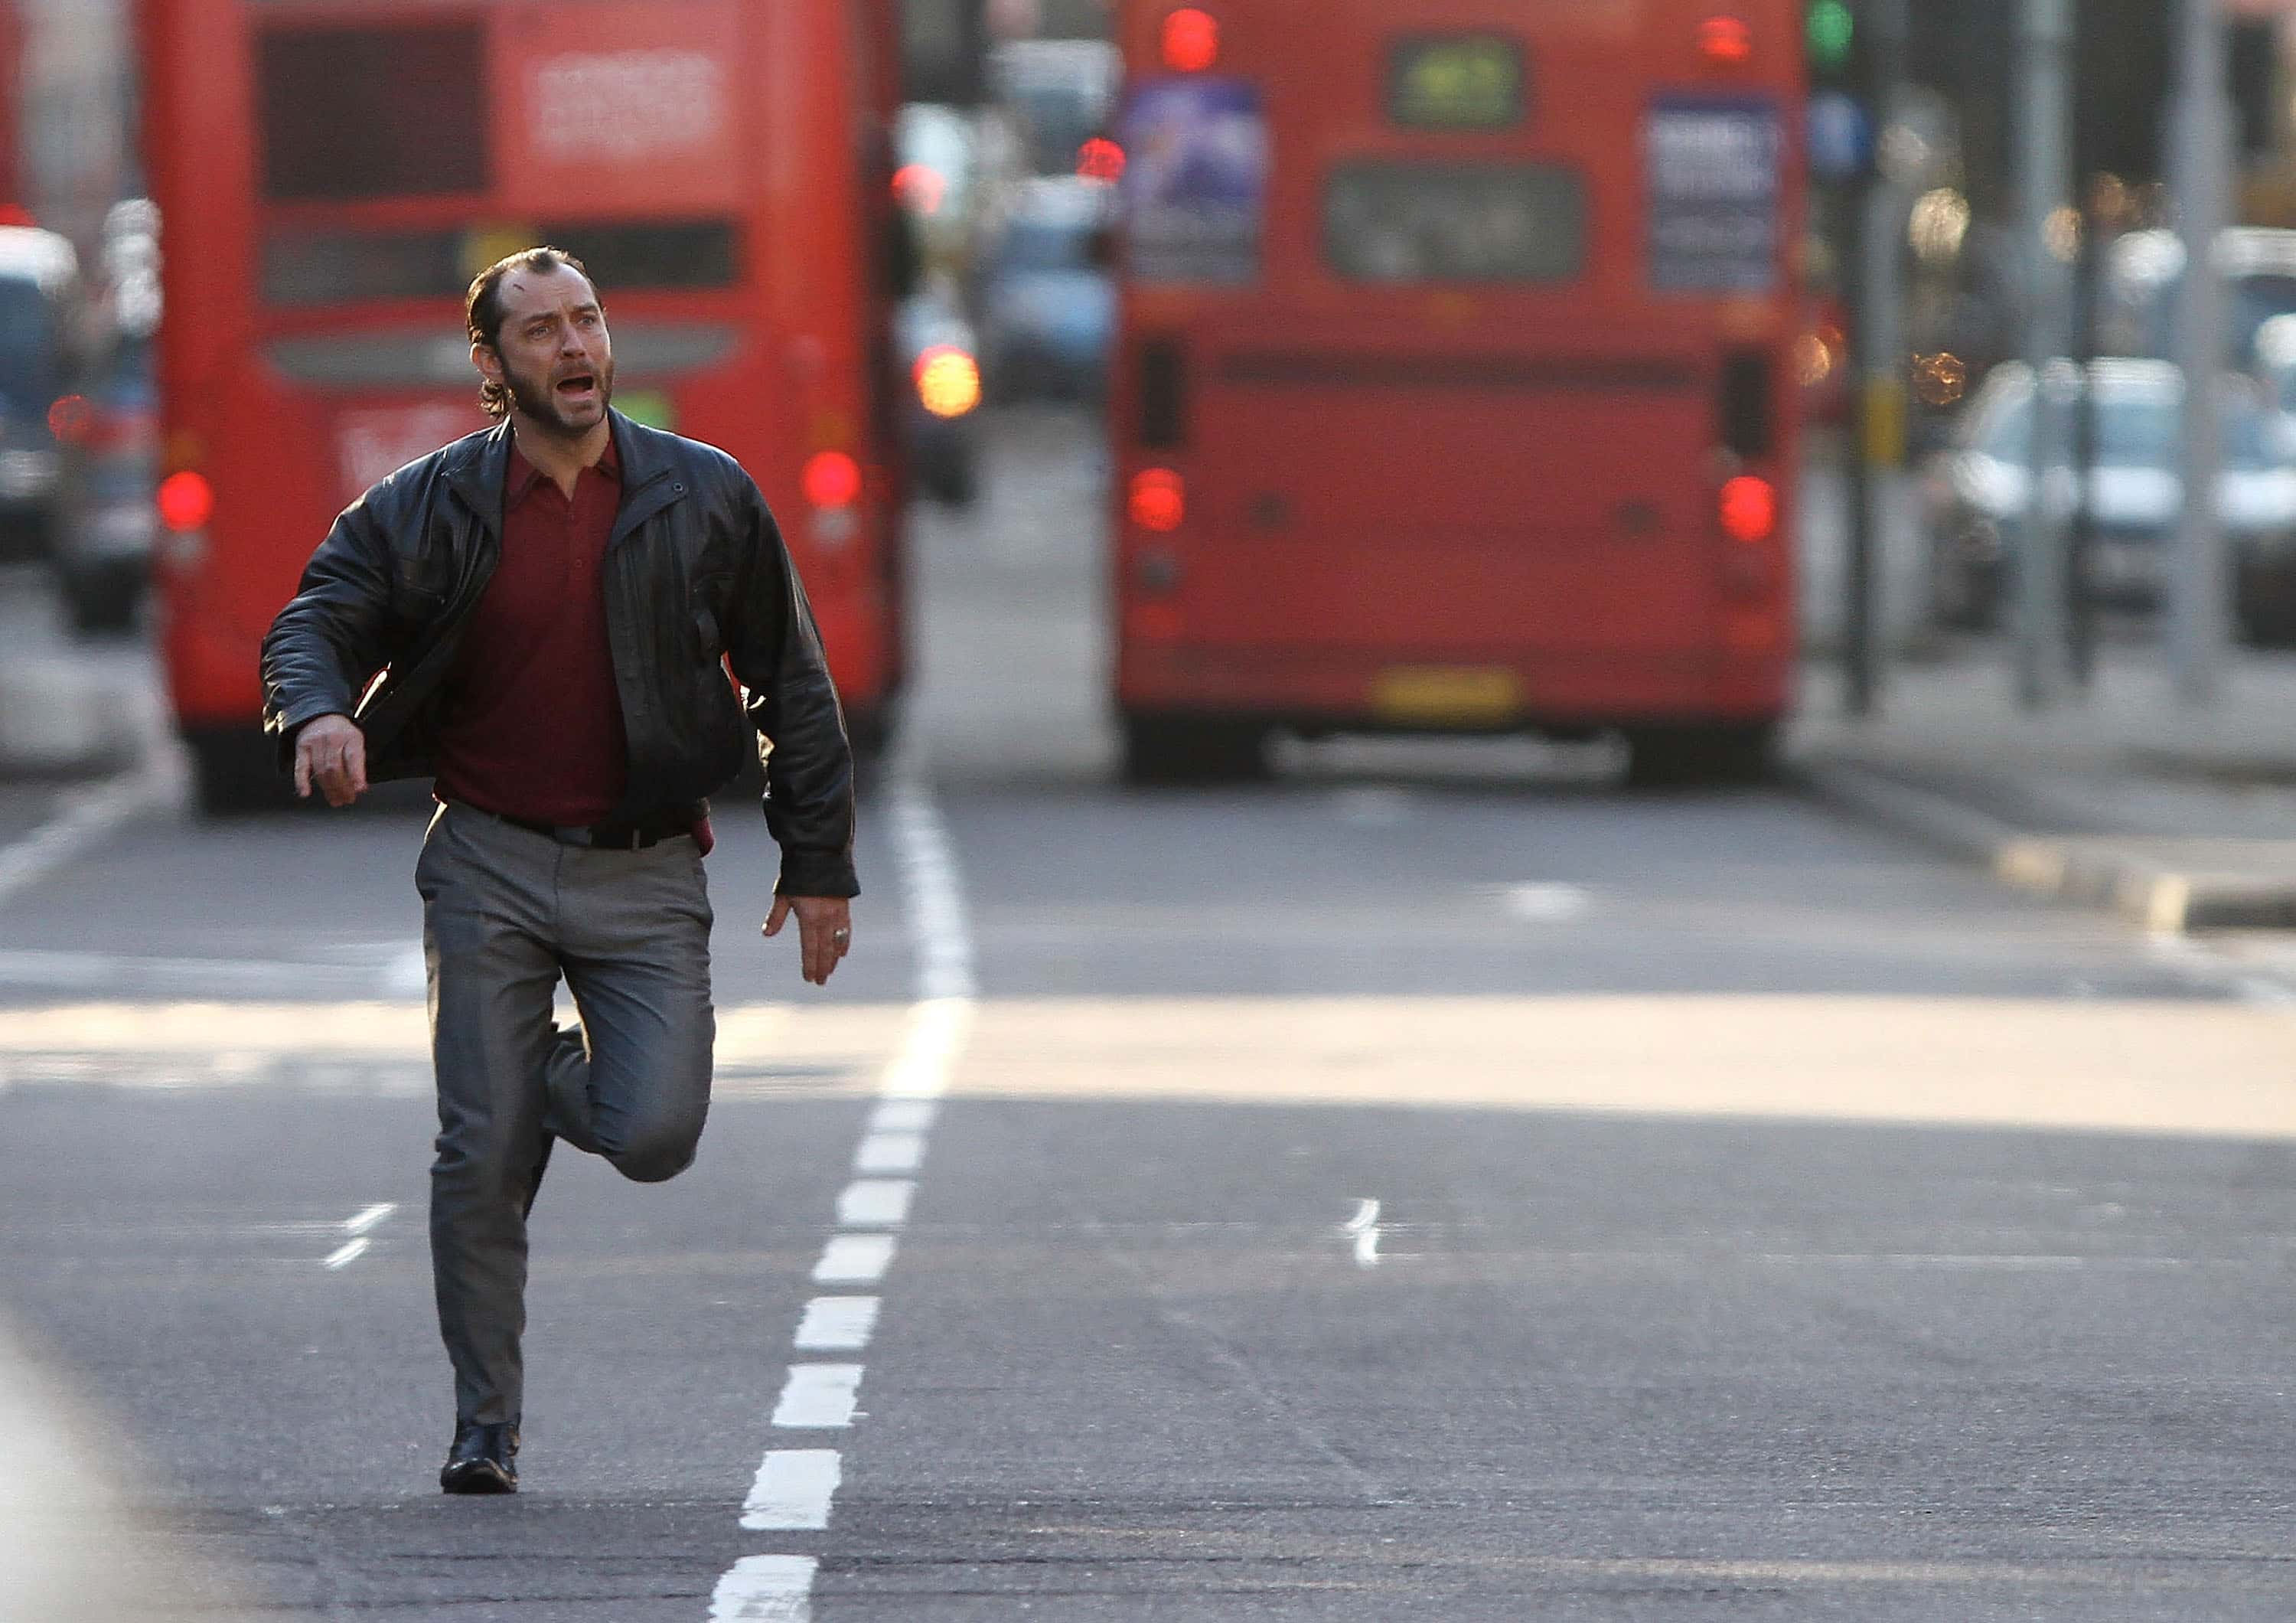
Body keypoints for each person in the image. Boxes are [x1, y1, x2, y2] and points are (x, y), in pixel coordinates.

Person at [259, 247, 859, 1496]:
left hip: (645, 870)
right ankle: (486, 1426)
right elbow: (317, 615)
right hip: (485, 856)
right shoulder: (428, 505)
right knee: (477, 1155)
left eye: (586, 322)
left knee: (652, 1131)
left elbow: (791, 682)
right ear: (493, 367)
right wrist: (320, 712)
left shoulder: (705, 495)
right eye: (540, 332)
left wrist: (818, 865)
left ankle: (524, 1068)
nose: (575, 348)